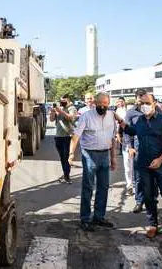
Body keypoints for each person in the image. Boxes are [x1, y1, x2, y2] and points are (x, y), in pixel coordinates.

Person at [119, 93, 162, 239]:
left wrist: (160, 159)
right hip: (143, 164)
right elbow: (132, 131)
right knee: (148, 195)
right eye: (141, 103)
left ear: (154, 103)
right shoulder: (139, 120)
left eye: (147, 103)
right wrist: (120, 122)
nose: (144, 106)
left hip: (161, 164)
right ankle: (153, 224)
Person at [69, 92, 117, 231]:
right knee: (88, 187)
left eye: (105, 104)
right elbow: (76, 136)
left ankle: (99, 217)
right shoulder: (86, 116)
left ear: (108, 104)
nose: (103, 106)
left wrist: (113, 157)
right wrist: (71, 154)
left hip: (105, 155)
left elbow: (113, 138)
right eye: (100, 104)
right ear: (95, 103)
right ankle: (85, 218)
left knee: (104, 187)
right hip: (89, 154)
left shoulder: (111, 116)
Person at [121, 89, 147, 212]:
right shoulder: (131, 113)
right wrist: (130, 147)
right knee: (139, 176)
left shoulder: (156, 110)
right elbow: (127, 131)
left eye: (144, 97)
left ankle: (151, 200)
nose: (141, 99)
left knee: (153, 177)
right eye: (139, 97)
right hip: (138, 148)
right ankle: (139, 201)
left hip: (154, 149)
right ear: (136, 98)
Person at [49, 94, 77, 184]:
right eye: (61, 101)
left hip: (67, 136)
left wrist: (60, 111)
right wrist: (53, 112)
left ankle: (67, 176)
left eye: (64, 101)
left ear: (68, 100)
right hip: (58, 136)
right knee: (62, 158)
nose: (62, 102)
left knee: (66, 157)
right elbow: (52, 119)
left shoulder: (72, 108)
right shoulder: (59, 108)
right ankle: (65, 174)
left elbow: (70, 117)